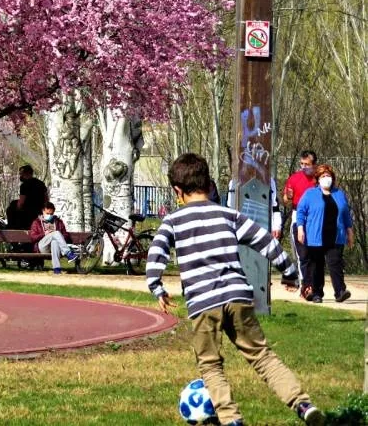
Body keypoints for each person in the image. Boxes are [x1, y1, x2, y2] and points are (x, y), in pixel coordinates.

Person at [146, 153, 323, 426]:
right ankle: (303, 404)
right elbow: (266, 241)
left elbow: (156, 253)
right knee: (262, 356)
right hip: (238, 295)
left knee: (210, 365)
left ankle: (231, 419)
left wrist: (157, 287)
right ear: (209, 184)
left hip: (203, 302)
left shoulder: (173, 221)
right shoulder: (229, 215)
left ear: (177, 191)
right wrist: (289, 273)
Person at [296, 164, 353, 304]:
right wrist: (300, 229)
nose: (326, 178)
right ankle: (317, 293)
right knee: (316, 265)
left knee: (336, 264)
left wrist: (350, 231)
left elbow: (346, 214)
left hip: (336, 236)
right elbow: (301, 211)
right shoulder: (310, 194)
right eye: (323, 176)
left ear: (332, 178)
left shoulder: (339, 194)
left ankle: (340, 291)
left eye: (328, 176)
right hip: (315, 236)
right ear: (318, 179)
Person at [283, 150, 319, 294]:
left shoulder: (319, 179)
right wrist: (288, 197)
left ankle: (315, 285)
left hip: (316, 217)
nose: (304, 167)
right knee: (302, 255)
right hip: (298, 215)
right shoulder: (294, 178)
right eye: (302, 164)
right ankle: (305, 286)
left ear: (314, 165)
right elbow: (285, 200)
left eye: (307, 164)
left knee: (315, 254)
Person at [27, 202, 78, 274]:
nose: (49, 215)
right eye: (47, 213)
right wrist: (44, 234)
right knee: (56, 233)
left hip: (55, 248)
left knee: (55, 242)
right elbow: (33, 237)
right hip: (43, 246)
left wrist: (58, 237)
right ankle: (68, 253)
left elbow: (66, 235)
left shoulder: (58, 222)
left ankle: (57, 269)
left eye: (51, 214)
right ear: (43, 211)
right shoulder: (37, 222)